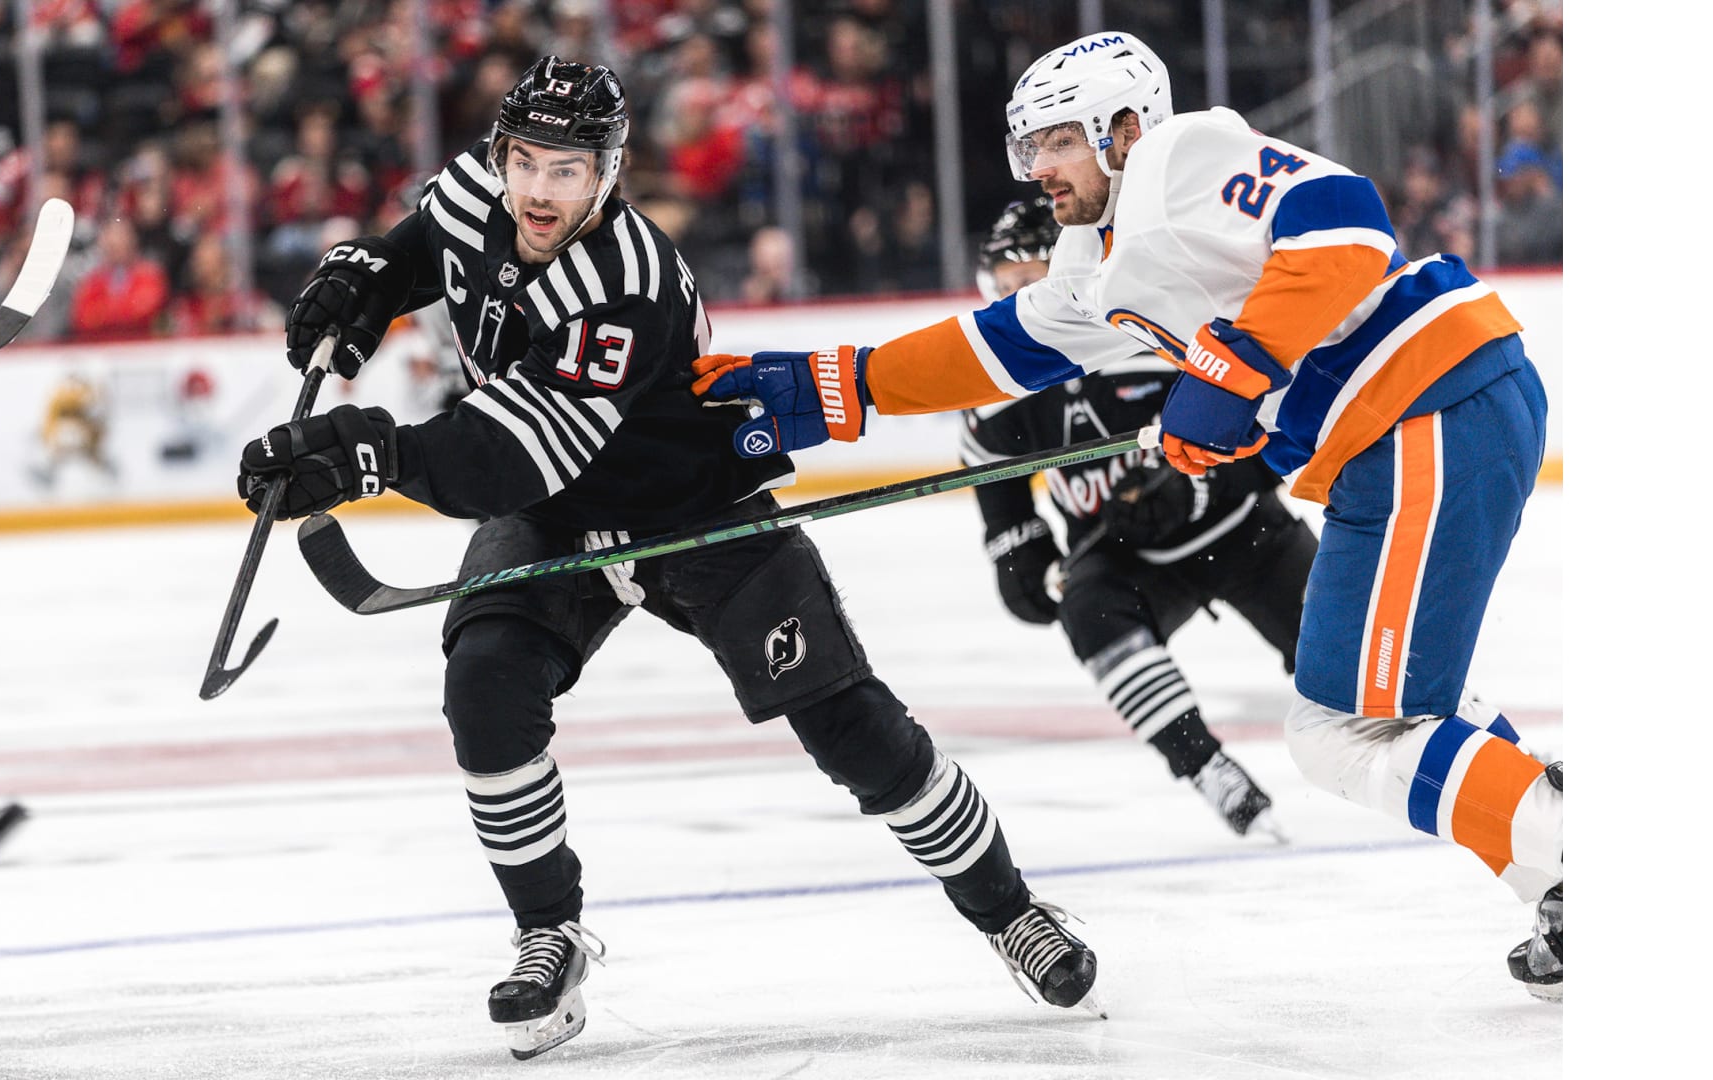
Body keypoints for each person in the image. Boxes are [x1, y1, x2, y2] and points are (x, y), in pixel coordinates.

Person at [234, 56, 1104, 1061]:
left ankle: (1010, 911)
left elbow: (508, 455)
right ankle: (548, 935)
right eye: (526, 162)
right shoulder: (480, 186)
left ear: (610, 173)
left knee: (848, 726)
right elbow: (427, 245)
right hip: (557, 516)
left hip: (690, 506)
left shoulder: (629, 285)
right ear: (500, 153)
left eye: (568, 171)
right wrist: (366, 280)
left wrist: (369, 455)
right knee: (484, 685)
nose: (539, 191)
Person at [692, 32, 1562, 1002]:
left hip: (1424, 409)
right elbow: (992, 351)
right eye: (1028, 147)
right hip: (1405, 433)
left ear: (1125, 128)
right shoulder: (1094, 269)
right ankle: (1559, 886)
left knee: (1347, 730)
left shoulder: (1179, 157)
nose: (1039, 168)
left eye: (1059, 142)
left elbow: (1343, 226)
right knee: (1397, 709)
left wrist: (1234, 371)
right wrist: (846, 383)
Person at [964, 195, 1313, 841]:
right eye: (1003, 287)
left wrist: (1199, 485)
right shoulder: (1000, 383)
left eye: (1028, 282)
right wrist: (1019, 552)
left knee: (1346, 649)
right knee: (1089, 611)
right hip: (1126, 556)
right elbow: (996, 479)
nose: (1013, 302)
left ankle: (1431, 729)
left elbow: (1273, 435)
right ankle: (1207, 768)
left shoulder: (1150, 326)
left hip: (1244, 530)